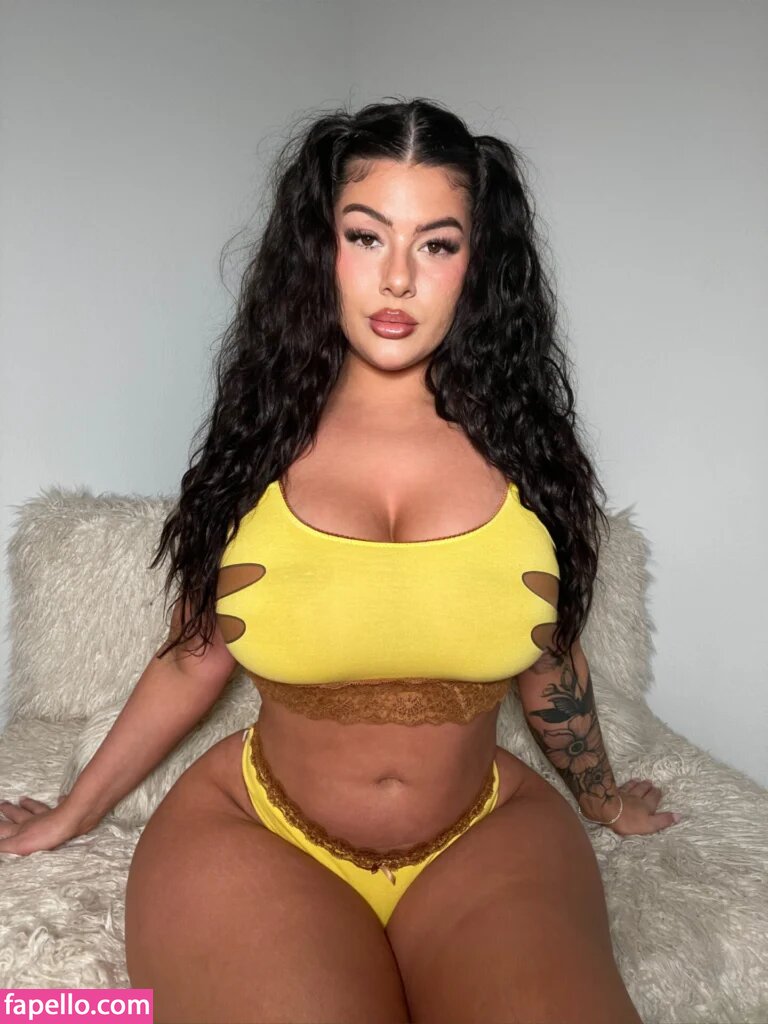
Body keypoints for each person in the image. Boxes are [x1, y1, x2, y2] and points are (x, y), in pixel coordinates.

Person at [0, 96, 676, 1024]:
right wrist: (71, 812)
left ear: (479, 265)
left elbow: (551, 662)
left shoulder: (530, 456)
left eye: (437, 244)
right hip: (259, 834)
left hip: (484, 833)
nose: (397, 277)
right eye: (367, 236)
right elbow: (194, 656)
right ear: (322, 249)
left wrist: (602, 801)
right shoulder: (256, 448)